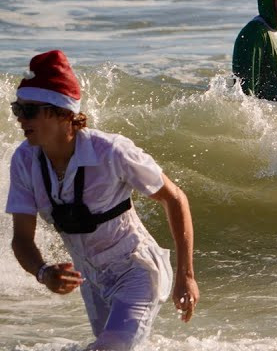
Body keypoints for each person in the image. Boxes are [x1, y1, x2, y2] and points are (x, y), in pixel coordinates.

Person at [6, 50, 198, 349]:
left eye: (29, 110)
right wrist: (44, 273)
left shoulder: (111, 152)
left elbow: (175, 198)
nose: (20, 119)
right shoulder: (24, 161)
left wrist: (186, 275)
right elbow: (21, 239)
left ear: (62, 113)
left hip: (137, 271)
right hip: (92, 282)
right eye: (18, 109)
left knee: (112, 347)